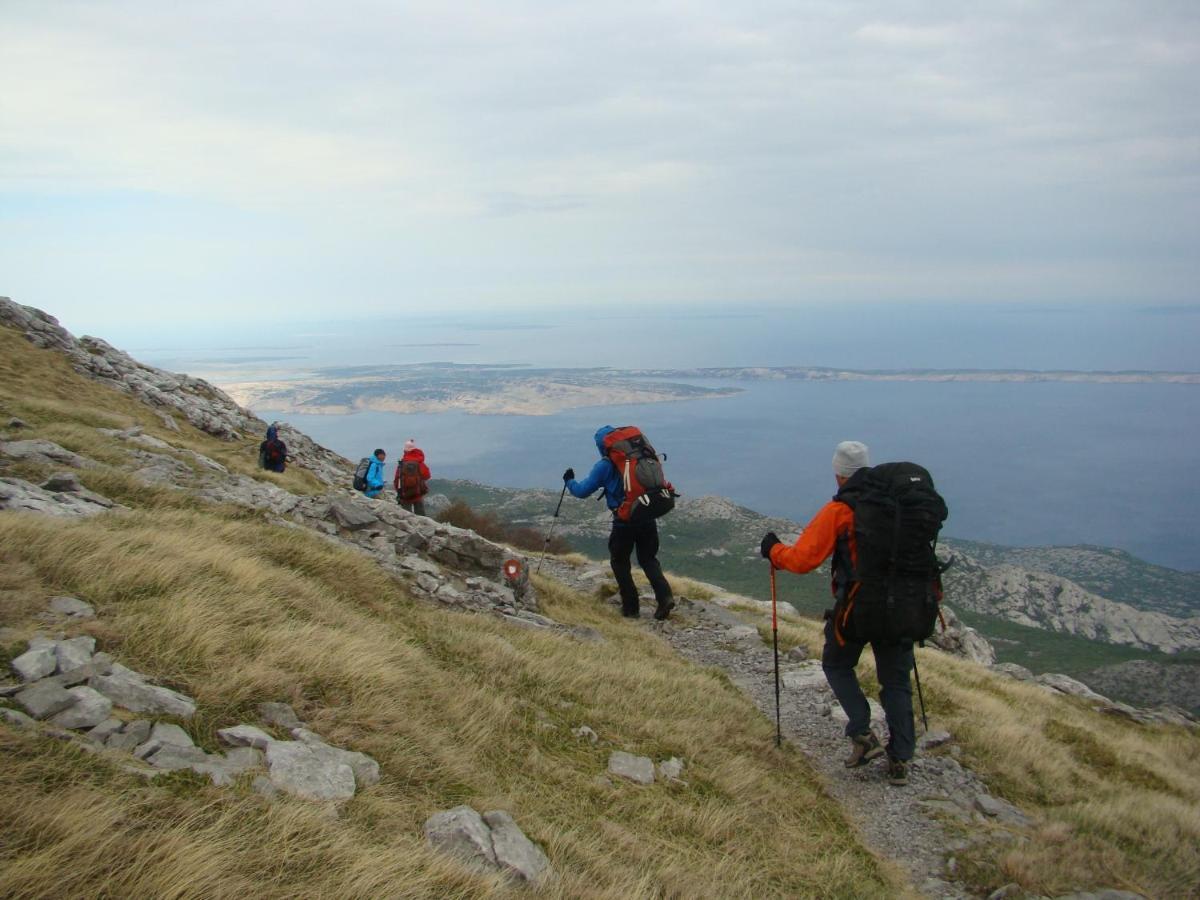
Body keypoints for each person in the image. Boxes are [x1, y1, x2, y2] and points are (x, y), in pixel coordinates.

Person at [759, 441, 916, 786]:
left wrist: (773, 550)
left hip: (859, 609)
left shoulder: (841, 510)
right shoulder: (901, 504)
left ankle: (862, 733)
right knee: (896, 682)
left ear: (838, 474)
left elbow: (802, 560)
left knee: (836, 664)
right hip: (904, 607)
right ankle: (901, 758)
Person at [564, 426, 675, 621]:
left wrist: (569, 481)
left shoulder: (605, 466)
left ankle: (631, 608)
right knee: (649, 559)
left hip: (624, 521)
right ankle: (665, 597)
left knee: (620, 562)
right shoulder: (640, 457)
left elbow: (582, 491)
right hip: (646, 514)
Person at [394, 439, 432, 515]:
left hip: (405, 494)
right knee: (421, 515)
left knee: (407, 516)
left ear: (405, 451)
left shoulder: (402, 463)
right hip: (417, 492)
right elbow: (427, 475)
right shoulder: (418, 462)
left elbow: (397, 479)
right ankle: (422, 525)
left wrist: (399, 491)